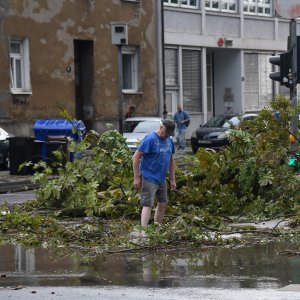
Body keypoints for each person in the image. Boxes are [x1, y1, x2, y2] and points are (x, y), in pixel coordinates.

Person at [132, 119, 176, 232]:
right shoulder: (150, 139)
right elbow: (136, 157)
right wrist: (136, 178)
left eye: (170, 134)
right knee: (148, 204)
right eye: (167, 133)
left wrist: (172, 179)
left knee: (163, 203)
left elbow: (171, 160)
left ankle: (156, 230)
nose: (167, 136)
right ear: (161, 128)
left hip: (161, 177)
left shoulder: (169, 140)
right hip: (149, 176)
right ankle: (143, 232)